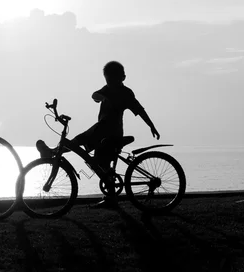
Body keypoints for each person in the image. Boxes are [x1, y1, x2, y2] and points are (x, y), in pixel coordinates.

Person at [37, 61, 160, 208]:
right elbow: (95, 95)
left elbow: (140, 110)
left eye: (113, 80)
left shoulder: (126, 93)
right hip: (101, 131)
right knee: (101, 164)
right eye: (108, 80)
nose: (110, 83)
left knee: (82, 142)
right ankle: (111, 198)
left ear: (123, 78)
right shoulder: (107, 90)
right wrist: (102, 97)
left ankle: (52, 152)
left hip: (110, 133)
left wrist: (151, 126)